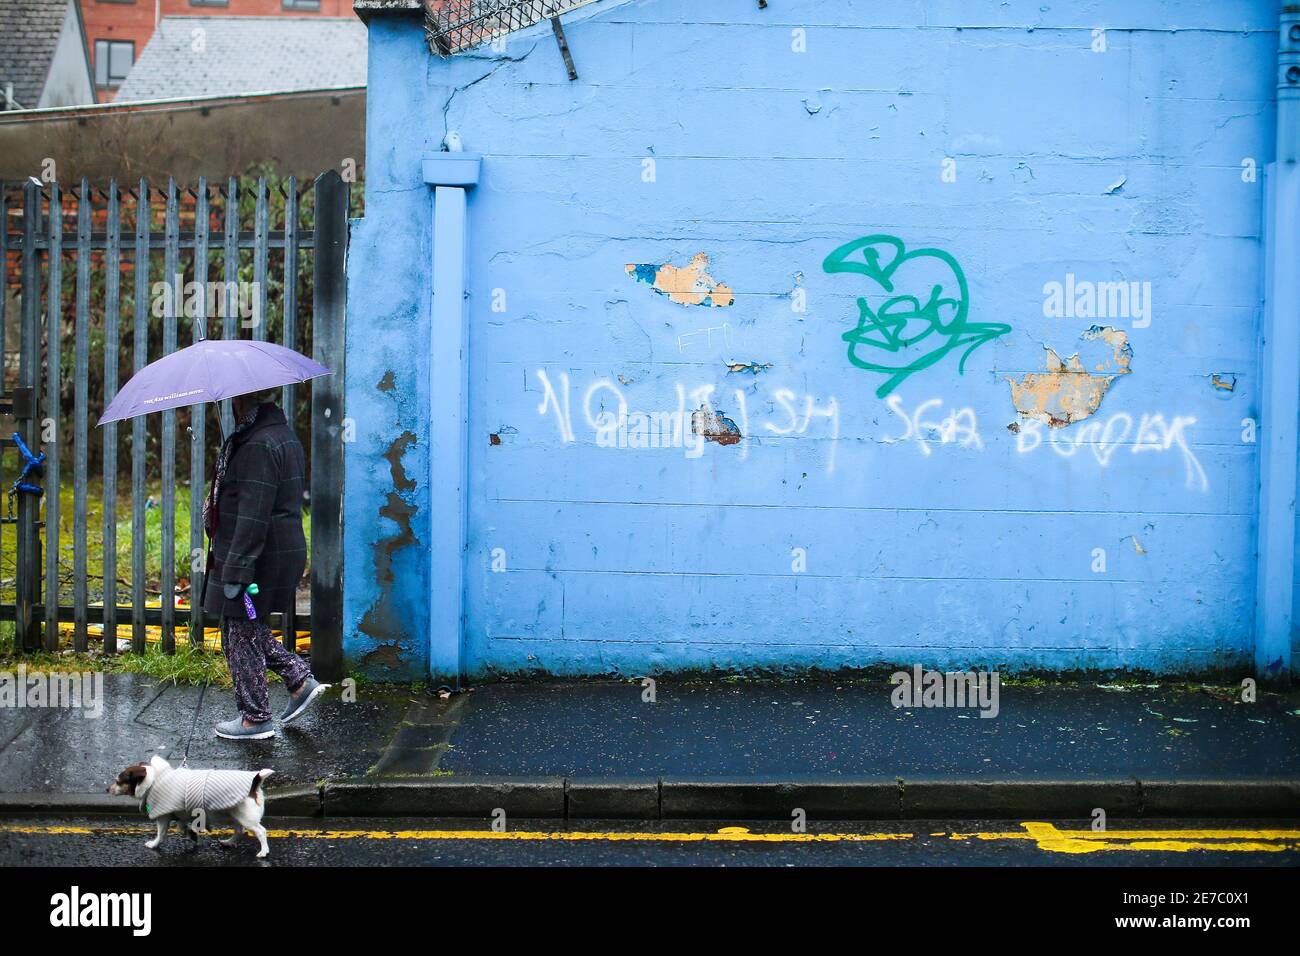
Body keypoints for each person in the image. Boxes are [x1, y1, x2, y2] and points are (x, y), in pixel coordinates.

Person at [202, 387, 328, 740]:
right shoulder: (280, 435)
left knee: (241, 630)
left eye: (232, 400)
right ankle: (298, 681)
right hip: (275, 550)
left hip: (258, 556)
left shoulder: (258, 445)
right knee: (241, 629)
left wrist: (238, 569)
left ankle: (255, 718)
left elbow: (253, 513)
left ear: (240, 401)